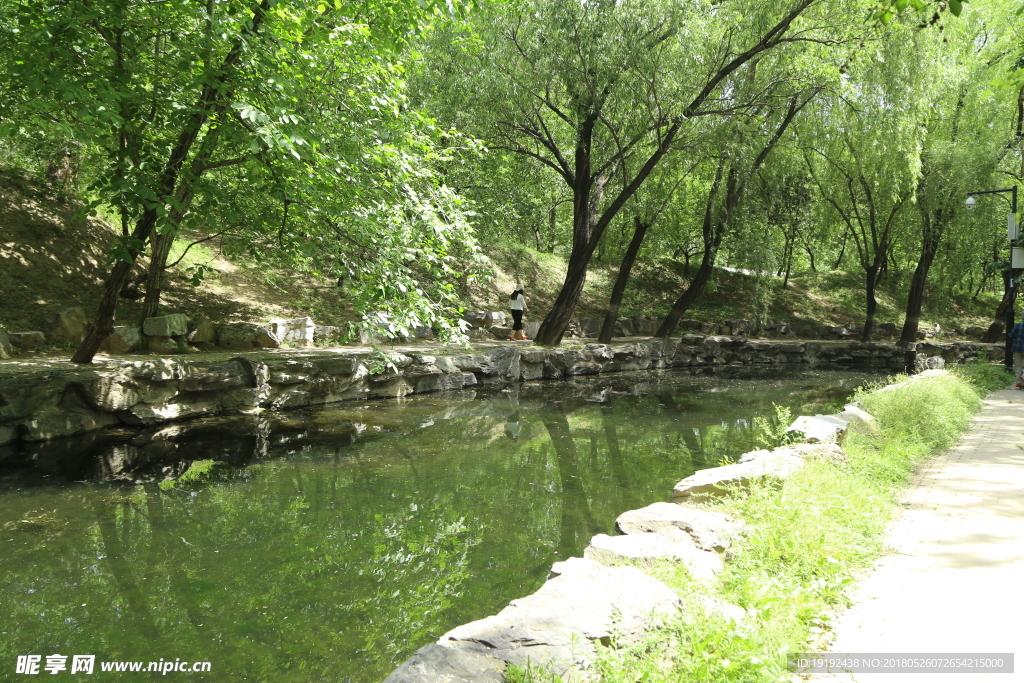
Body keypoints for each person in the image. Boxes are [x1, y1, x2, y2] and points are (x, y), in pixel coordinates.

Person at [1011, 313, 1024, 388]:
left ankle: (1018, 383)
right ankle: (1023, 377)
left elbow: (1011, 335)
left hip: (1017, 347)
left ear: (1022, 318)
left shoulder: (1018, 325)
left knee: (1018, 366)